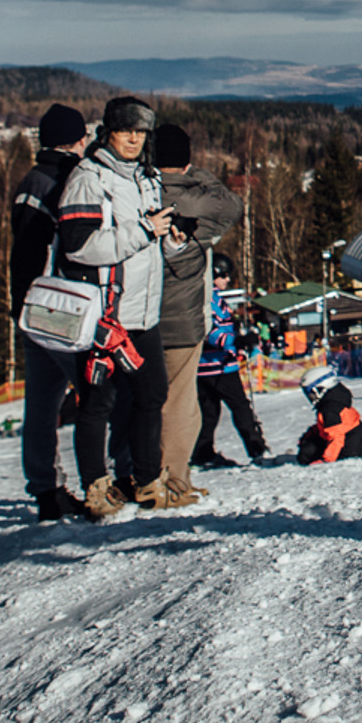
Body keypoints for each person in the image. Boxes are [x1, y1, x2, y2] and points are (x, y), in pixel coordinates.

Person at [56, 96, 174, 520]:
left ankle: (145, 482)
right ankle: (97, 487)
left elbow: (146, 243)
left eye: (141, 132)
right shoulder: (89, 179)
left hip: (143, 311)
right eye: (126, 131)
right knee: (98, 404)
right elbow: (80, 247)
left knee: (151, 396)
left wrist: (169, 238)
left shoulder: (146, 177)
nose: (134, 139)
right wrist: (144, 229)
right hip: (106, 316)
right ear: (107, 132)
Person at [9, 103, 90, 522]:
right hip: (64, 305)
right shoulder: (69, 183)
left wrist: (19, 301)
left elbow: (22, 252)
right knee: (99, 394)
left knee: (40, 404)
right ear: (78, 139)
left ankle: (45, 486)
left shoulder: (31, 182)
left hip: (30, 306)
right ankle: (103, 478)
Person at [153, 122, 241, 503]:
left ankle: (137, 474)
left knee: (138, 401)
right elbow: (232, 204)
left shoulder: (139, 192)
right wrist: (196, 174)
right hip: (184, 315)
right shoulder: (196, 200)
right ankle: (174, 479)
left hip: (135, 316)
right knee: (179, 403)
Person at [193, 255, 269, 468]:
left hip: (210, 365)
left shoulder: (214, 296)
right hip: (218, 365)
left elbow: (225, 325)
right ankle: (256, 449)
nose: (227, 280)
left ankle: (202, 453)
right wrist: (236, 341)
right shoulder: (206, 298)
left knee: (209, 412)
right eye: (224, 276)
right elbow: (208, 330)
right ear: (214, 274)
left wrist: (240, 337)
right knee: (240, 407)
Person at [296, 369, 362, 464]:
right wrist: (312, 433)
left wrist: (326, 460)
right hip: (353, 436)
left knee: (306, 454)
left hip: (350, 443)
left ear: (321, 389)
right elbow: (329, 427)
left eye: (311, 393)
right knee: (307, 448)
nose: (310, 397)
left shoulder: (330, 409)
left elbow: (336, 437)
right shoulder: (332, 401)